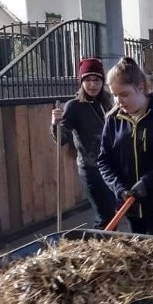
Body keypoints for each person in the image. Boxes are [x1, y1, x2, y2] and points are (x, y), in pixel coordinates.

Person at [98, 57, 153, 236]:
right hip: (131, 206)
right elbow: (104, 161)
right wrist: (119, 188)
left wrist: (148, 182)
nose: (118, 101)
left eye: (124, 94)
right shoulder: (113, 120)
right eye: (114, 95)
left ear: (140, 88)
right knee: (140, 253)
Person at [50, 57, 115, 229]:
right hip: (91, 168)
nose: (92, 85)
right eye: (88, 80)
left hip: (112, 167)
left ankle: (109, 249)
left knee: (114, 214)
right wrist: (55, 124)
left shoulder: (108, 102)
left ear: (102, 82)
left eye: (96, 80)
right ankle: (99, 251)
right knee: (105, 217)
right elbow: (61, 139)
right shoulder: (74, 106)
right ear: (81, 82)